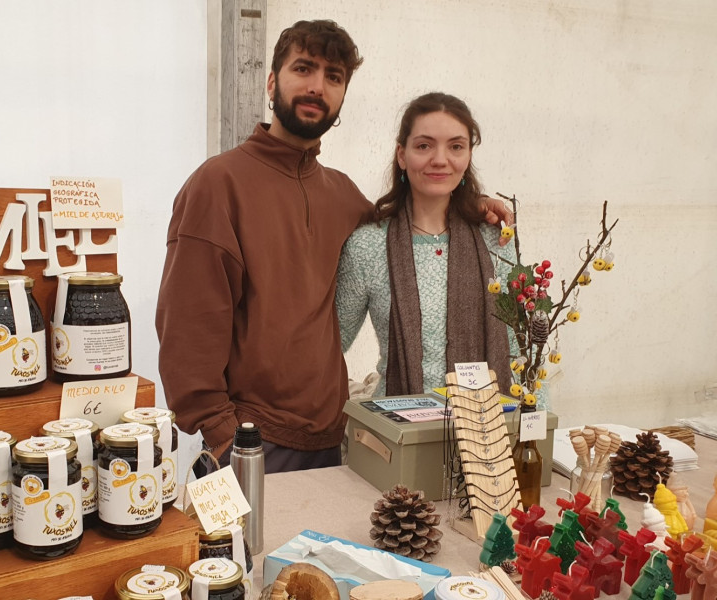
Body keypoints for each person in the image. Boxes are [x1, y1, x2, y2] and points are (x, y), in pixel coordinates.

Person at [157, 22, 513, 474]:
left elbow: (410, 219)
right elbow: (188, 326)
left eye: (333, 76)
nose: (316, 86)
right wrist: (224, 435)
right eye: (303, 68)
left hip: (331, 440)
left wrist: (469, 206)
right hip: (250, 441)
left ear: (343, 95)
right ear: (272, 82)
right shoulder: (218, 184)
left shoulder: (343, 196)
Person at [336, 92, 515, 397]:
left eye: (456, 146)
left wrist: (534, 426)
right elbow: (331, 344)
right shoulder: (368, 245)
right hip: (399, 431)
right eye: (424, 146)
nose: (440, 159)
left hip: (487, 433)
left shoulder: (495, 239)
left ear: (468, 155)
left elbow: (517, 347)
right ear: (402, 155)